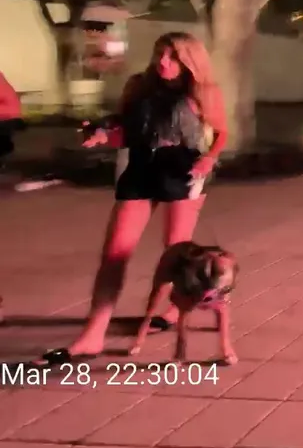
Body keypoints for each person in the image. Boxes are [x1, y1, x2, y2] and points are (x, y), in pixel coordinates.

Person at [41, 32, 228, 364]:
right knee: (115, 253)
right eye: (160, 54)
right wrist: (100, 133)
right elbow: (124, 128)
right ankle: (92, 335)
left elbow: (222, 131)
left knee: (176, 250)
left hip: (183, 171)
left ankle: (174, 308)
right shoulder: (139, 85)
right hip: (141, 168)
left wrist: (209, 158)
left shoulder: (203, 91)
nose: (164, 62)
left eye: (173, 56)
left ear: (190, 61)